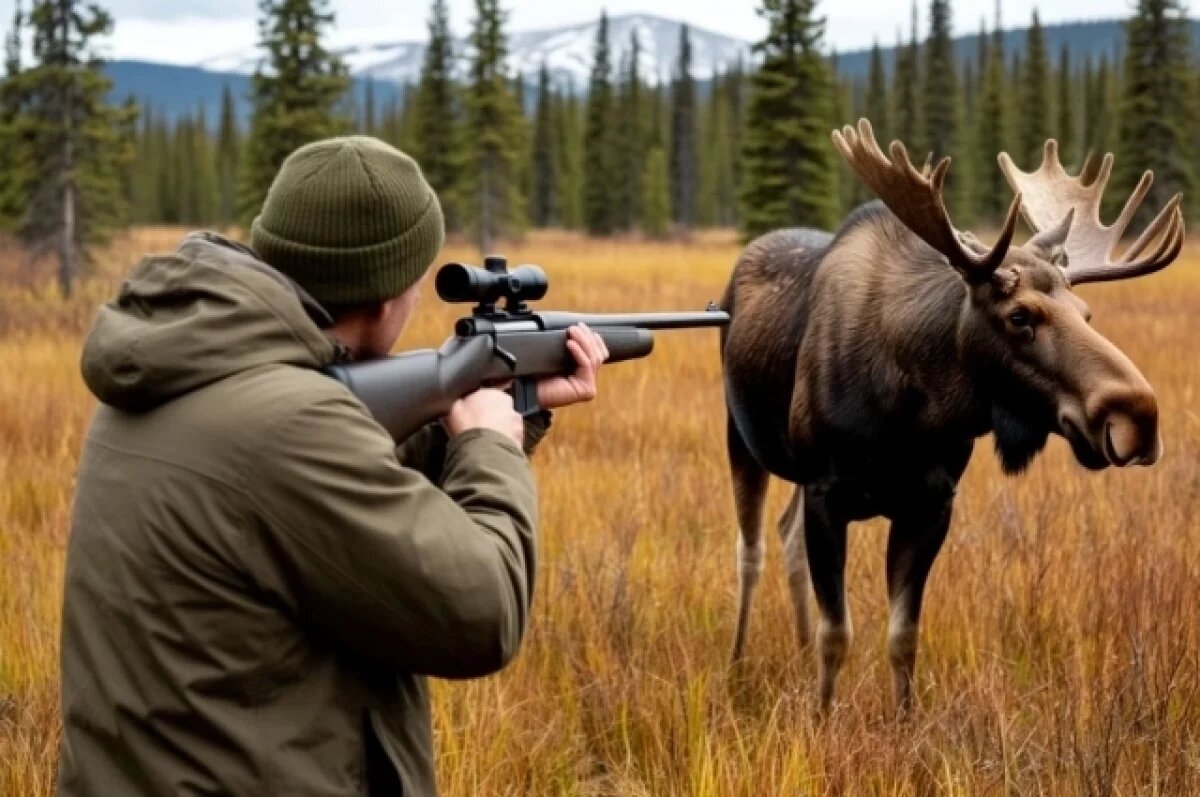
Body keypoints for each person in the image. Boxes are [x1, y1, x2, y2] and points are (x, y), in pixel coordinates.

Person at [57, 136, 609, 796]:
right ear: (384, 297)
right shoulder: (290, 423)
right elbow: (483, 611)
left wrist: (512, 406)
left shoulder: (174, 369)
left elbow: (330, 493)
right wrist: (490, 445)